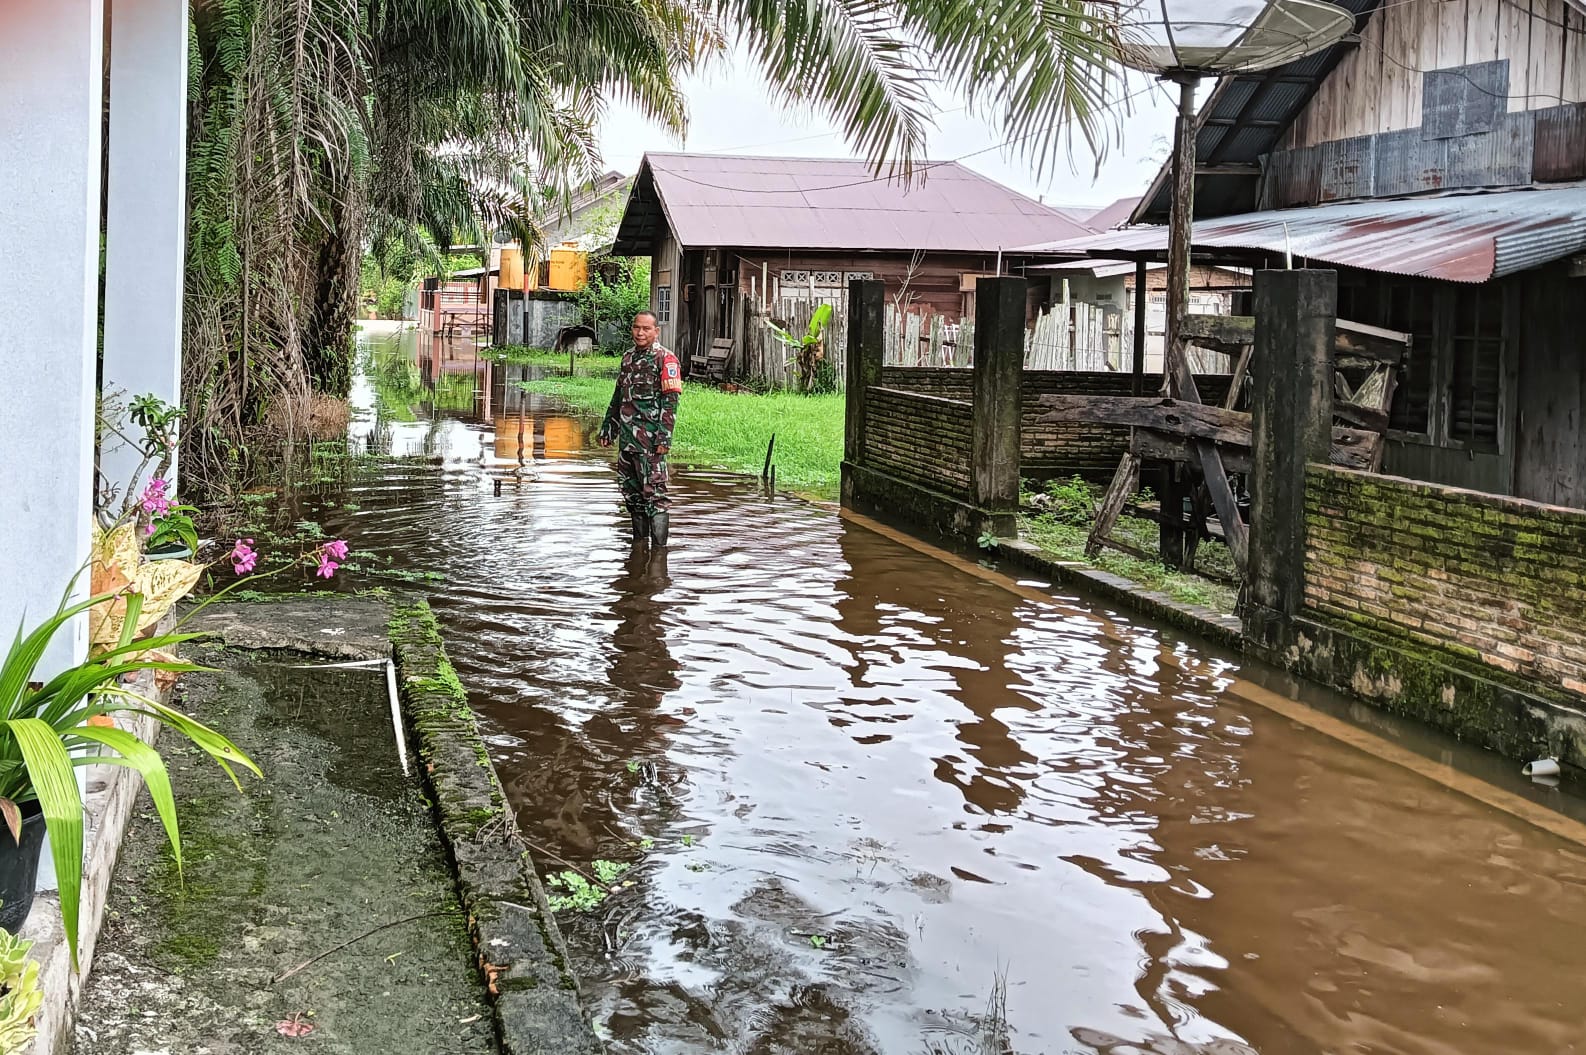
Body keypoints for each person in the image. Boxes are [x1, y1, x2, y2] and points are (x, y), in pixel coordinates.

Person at [598, 311, 682, 546]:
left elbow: (671, 401)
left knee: (654, 495)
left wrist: (664, 438)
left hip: (651, 442)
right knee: (631, 494)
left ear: (657, 331)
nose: (640, 333)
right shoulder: (627, 359)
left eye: (646, 329)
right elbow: (619, 397)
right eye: (637, 328)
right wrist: (608, 428)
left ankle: (658, 552)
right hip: (627, 439)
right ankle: (638, 547)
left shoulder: (666, 359)